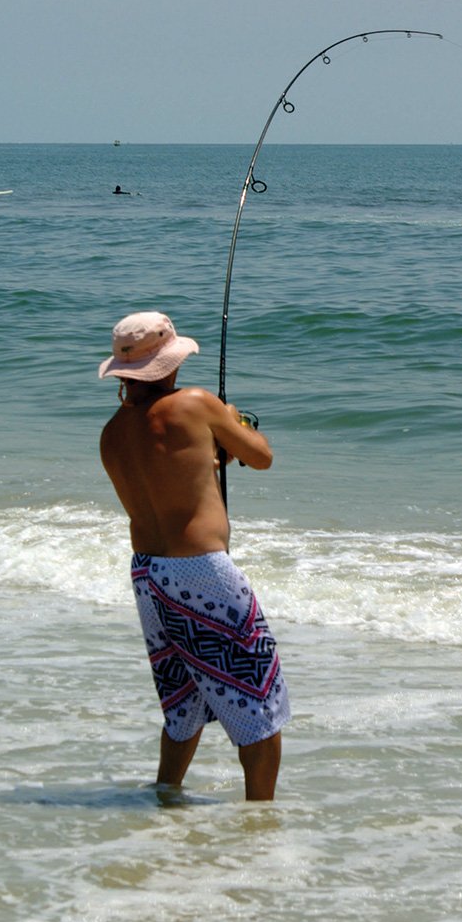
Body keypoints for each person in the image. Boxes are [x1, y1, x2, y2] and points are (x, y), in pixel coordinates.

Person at [98, 311, 290, 800]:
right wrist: (236, 423)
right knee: (257, 702)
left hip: (149, 574)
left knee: (182, 698)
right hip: (204, 573)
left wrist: (215, 445)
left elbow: (169, 474)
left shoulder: (113, 433)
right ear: (169, 363)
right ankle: (259, 819)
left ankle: (166, 793)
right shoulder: (198, 404)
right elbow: (262, 457)